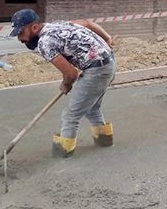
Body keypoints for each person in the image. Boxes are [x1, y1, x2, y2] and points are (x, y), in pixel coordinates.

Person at [9, 9, 116, 158]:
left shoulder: (45, 43)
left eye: (21, 33)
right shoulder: (57, 25)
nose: (20, 39)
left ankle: (63, 153)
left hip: (97, 70)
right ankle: (104, 141)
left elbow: (71, 74)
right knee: (91, 108)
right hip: (108, 62)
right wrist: (107, 37)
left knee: (70, 116)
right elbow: (87, 23)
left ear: (34, 28)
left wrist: (66, 84)